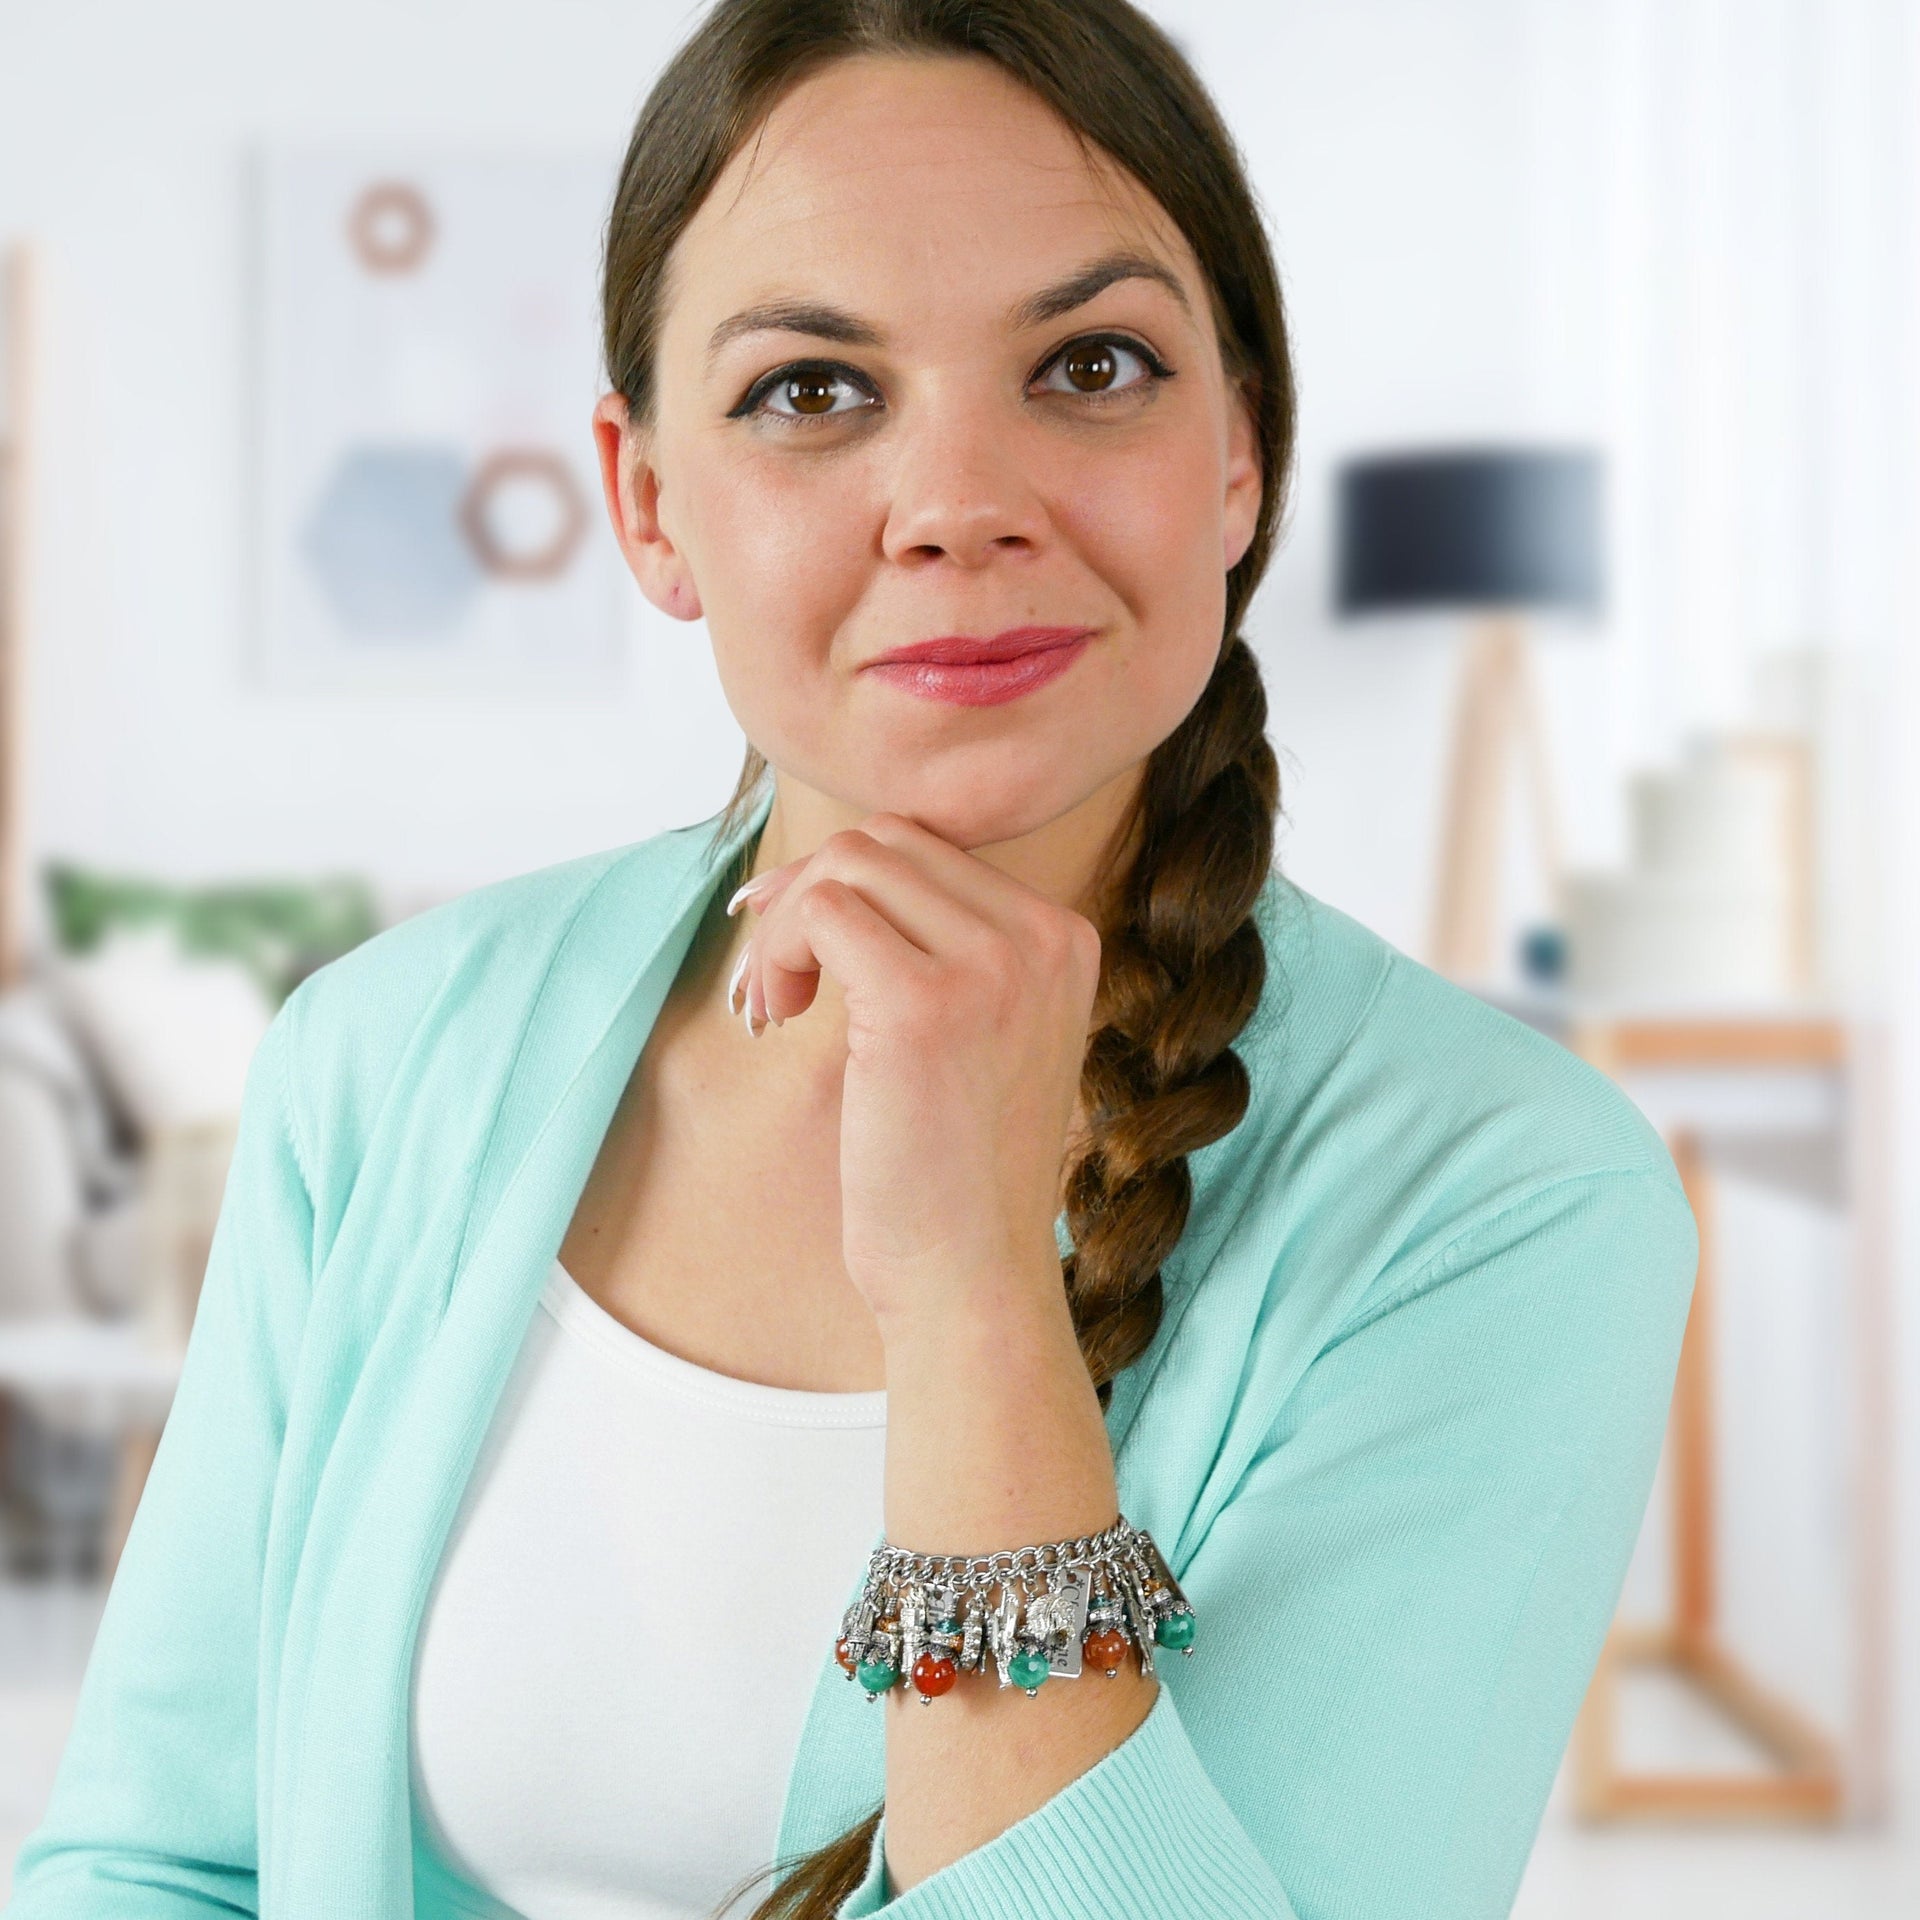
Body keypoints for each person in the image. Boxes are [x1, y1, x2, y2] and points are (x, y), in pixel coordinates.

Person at [5, 3, 1699, 1917]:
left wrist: (974, 1298)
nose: (960, 501)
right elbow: (152, 1862)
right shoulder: (386, 1060)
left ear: (1241, 459)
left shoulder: (1508, 1204)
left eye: (1092, 363)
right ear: (649, 502)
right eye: (814, 390)